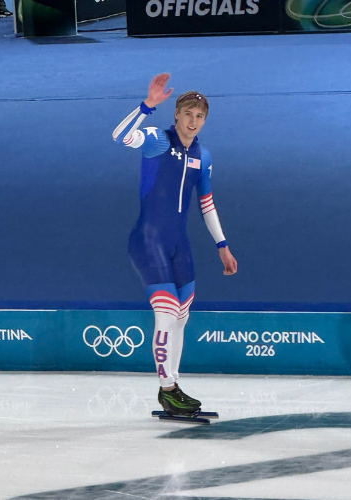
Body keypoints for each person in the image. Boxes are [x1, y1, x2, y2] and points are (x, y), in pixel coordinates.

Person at [111, 73, 238, 416]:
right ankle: (166, 390)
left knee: (181, 317)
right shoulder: (157, 140)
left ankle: (174, 385)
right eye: (187, 115)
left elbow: (206, 203)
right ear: (176, 116)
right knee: (166, 314)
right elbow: (120, 136)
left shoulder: (203, 156)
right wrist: (146, 106)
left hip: (179, 245)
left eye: (200, 117)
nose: (193, 122)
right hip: (148, 240)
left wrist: (222, 245)